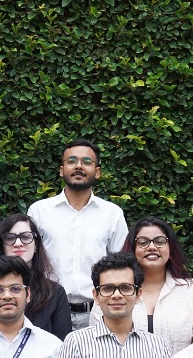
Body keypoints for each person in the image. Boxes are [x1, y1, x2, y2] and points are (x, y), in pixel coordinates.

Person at [26, 139, 128, 328]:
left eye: (87, 162)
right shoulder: (39, 211)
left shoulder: (112, 214)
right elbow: (27, 262)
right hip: (47, 311)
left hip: (97, 314)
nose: (79, 166)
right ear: (61, 169)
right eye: (71, 161)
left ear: (97, 172)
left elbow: (122, 267)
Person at [91, 216, 193, 355]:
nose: (152, 247)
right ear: (133, 249)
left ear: (170, 250)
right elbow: (96, 342)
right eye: (143, 242)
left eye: (160, 242)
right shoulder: (111, 290)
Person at [0, 214, 72, 340]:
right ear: (2, 245)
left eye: (26, 237)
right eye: (10, 238)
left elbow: (62, 348)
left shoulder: (55, 293)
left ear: (36, 245)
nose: (18, 243)